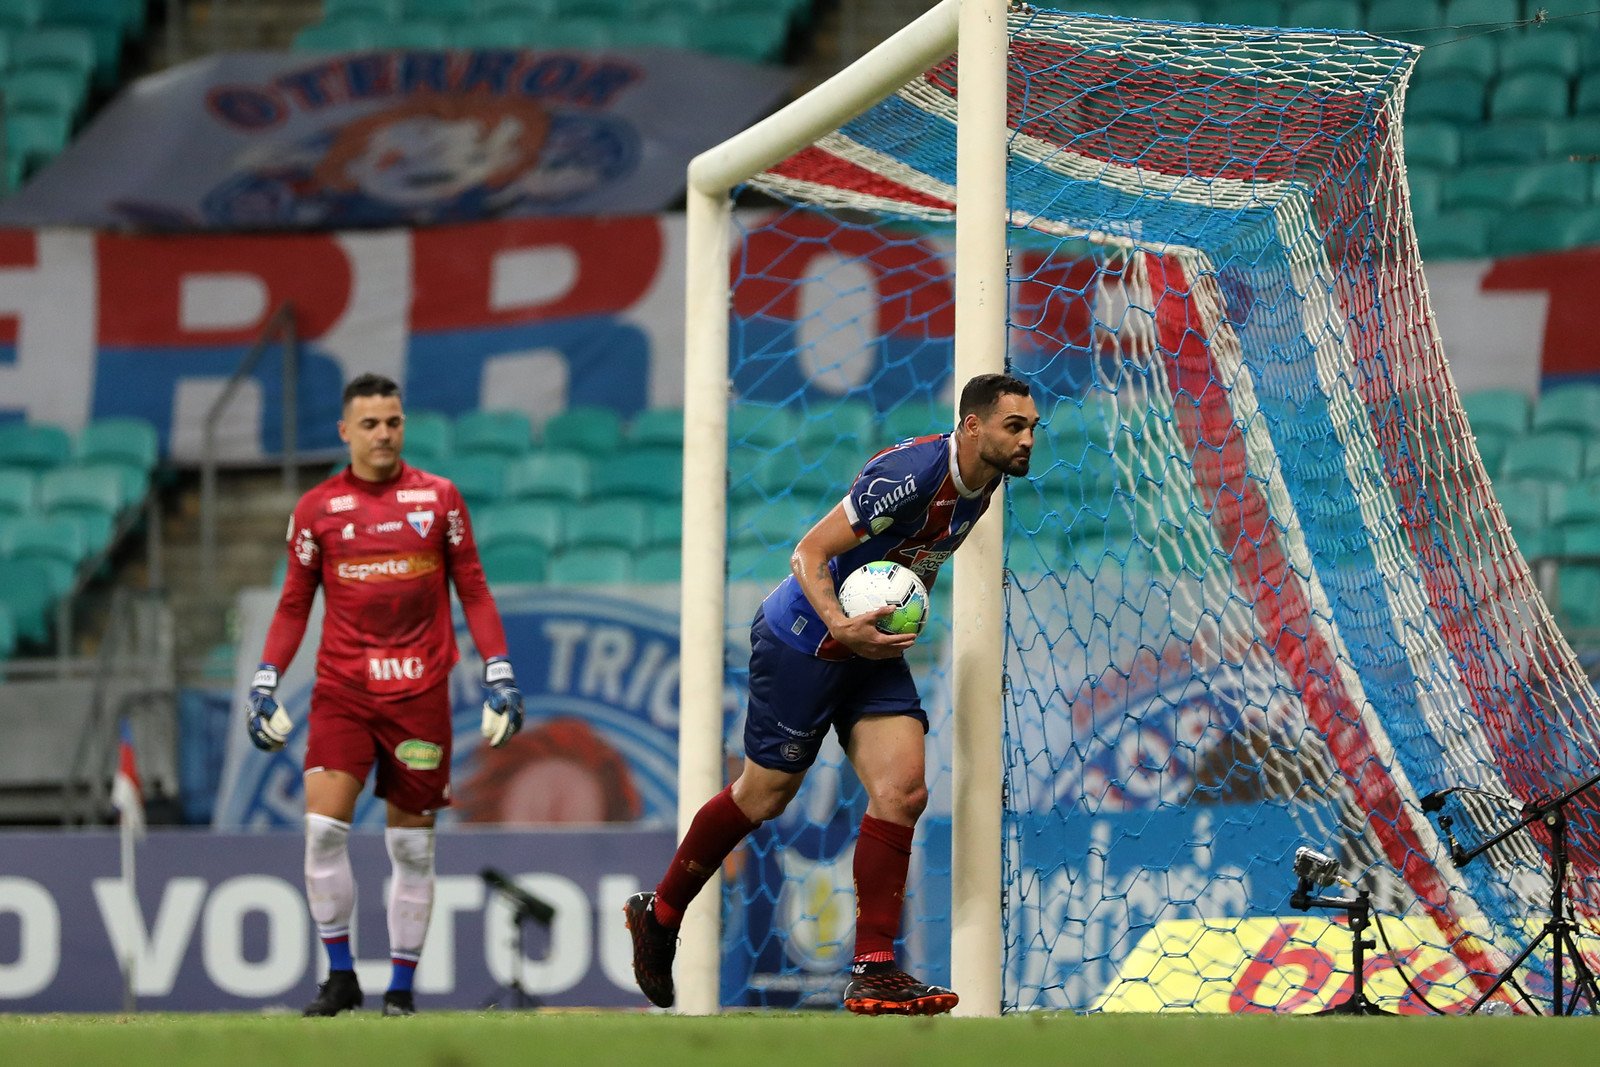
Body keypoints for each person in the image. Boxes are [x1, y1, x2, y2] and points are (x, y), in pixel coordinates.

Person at [625, 372, 1039, 1015]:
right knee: (764, 795)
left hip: (870, 646)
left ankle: (872, 969)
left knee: (903, 792)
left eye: (1033, 428)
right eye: (1015, 426)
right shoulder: (912, 473)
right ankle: (662, 913)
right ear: (972, 427)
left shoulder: (983, 491)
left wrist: (889, 615)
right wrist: (842, 623)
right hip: (805, 638)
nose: (1028, 440)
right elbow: (809, 551)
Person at [244, 373, 524, 1017]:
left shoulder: (440, 499)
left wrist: (499, 668)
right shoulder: (317, 509)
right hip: (342, 692)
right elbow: (293, 604)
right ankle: (340, 974)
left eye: (393, 421)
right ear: (345, 431)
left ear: (404, 426)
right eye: (369, 423)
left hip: (420, 696)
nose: (383, 434)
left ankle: (400, 990)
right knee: (321, 830)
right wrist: (266, 677)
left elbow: (475, 590)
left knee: (410, 846)